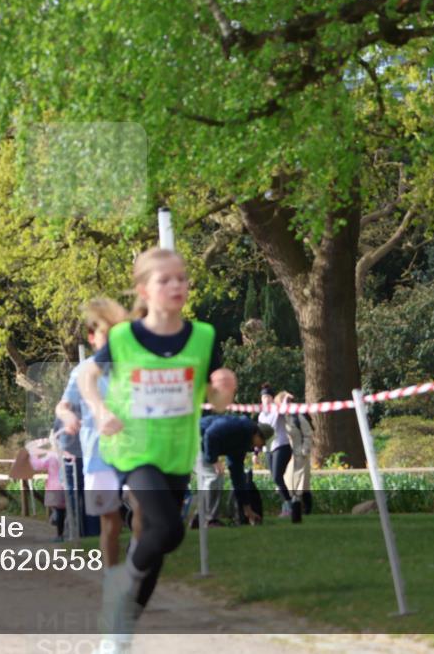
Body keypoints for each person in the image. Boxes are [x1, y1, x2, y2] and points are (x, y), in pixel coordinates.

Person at [77, 247, 237, 649]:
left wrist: (224, 392)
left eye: (181, 278)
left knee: (158, 539)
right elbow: (88, 377)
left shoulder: (203, 338)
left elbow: (214, 403)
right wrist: (98, 410)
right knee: (168, 528)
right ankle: (121, 584)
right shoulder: (124, 337)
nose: (177, 286)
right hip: (132, 448)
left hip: (175, 452)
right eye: (165, 280)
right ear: (144, 290)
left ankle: (120, 630)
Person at [56, 297, 128, 564]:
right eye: (106, 334)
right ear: (91, 337)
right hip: (99, 455)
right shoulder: (82, 371)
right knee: (112, 522)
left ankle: (138, 566)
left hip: (135, 451)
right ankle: (112, 574)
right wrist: (67, 417)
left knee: (144, 508)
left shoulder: (133, 367)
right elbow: (63, 405)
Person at [200, 413, 274, 525]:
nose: (259, 447)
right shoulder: (239, 426)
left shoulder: (243, 442)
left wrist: (247, 509)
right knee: (214, 476)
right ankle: (209, 520)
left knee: (215, 477)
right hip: (194, 436)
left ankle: (199, 518)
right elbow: (210, 434)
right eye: (262, 443)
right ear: (258, 435)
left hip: (202, 441)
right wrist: (213, 460)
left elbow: (237, 476)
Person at [258, 385, 293, 517]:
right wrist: (257, 452)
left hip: (281, 446)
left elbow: (284, 409)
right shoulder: (261, 415)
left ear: (272, 399)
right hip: (268, 449)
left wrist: (286, 400)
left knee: (277, 477)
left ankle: (289, 505)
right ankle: (286, 506)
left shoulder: (276, 409)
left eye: (267, 397)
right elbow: (260, 434)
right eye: (263, 397)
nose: (265, 400)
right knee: (276, 480)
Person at [29, 435, 67, 541]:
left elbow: (37, 465)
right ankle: (69, 532)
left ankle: (60, 535)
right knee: (68, 510)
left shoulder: (51, 455)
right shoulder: (68, 453)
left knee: (59, 511)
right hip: (69, 485)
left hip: (55, 486)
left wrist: (33, 454)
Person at [285, 405, 314, 518]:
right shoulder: (279, 418)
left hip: (300, 455)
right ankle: (291, 509)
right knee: (288, 484)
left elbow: (308, 434)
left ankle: (306, 510)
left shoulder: (298, 417)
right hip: (287, 456)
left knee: (302, 485)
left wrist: (305, 450)